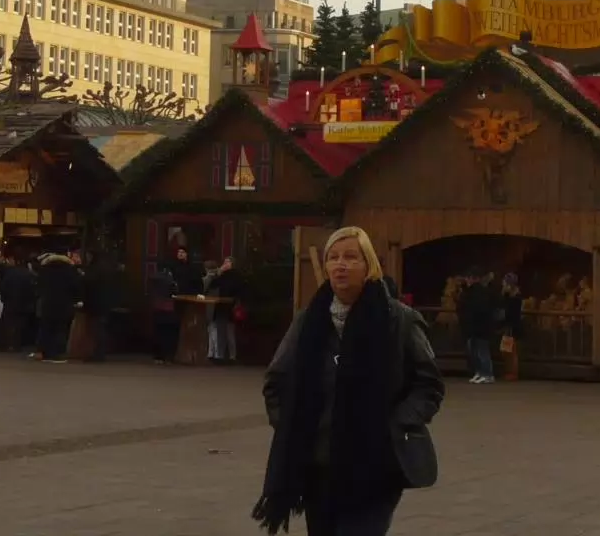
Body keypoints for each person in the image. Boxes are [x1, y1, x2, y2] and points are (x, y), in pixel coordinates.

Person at [256, 226, 444, 536]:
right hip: (318, 468)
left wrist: (396, 424)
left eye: (351, 257)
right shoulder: (309, 321)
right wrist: (293, 427)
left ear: (369, 265)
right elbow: (276, 382)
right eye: (333, 258)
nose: (340, 265)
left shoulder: (398, 320)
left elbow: (429, 384)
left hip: (376, 465)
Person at [33, 250, 80, 363]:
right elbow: (75, 286)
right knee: (60, 328)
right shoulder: (70, 270)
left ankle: (42, 351)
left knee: (46, 327)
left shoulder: (45, 269)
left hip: (47, 302)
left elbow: (39, 285)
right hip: (64, 303)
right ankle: (57, 353)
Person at [457, 269, 497, 385]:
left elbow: (480, 310)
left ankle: (487, 374)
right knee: (475, 351)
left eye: (469, 278)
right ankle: (479, 372)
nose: (467, 280)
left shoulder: (480, 293)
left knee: (482, 351)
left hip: (480, 326)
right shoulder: (471, 292)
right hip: (474, 326)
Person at [205, 257, 242, 365]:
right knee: (220, 332)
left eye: (228, 262)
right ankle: (219, 355)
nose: (225, 264)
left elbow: (238, 290)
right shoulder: (221, 275)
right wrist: (219, 272)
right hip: (221, 306)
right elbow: (212, 285)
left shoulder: (236, 276)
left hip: (230, 307)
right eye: (224, 262)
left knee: (230, 333)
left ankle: (232, 356)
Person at [499, 273, 525, 383]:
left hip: (512, 326)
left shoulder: (515, 297)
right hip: (509, 326)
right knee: (506, 351)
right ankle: (508, 371)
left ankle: (513, 373)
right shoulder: (509, 296)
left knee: (512, 352)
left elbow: (511, 312)